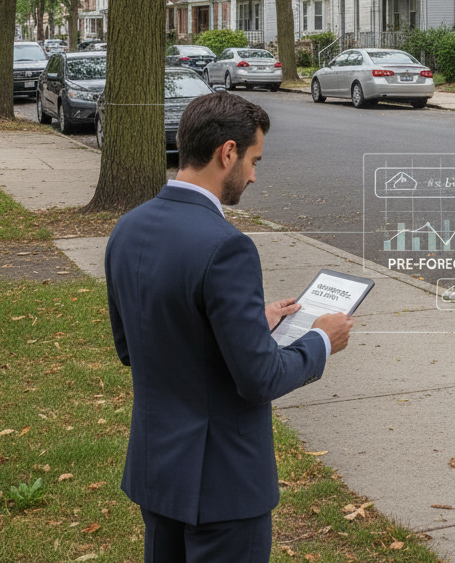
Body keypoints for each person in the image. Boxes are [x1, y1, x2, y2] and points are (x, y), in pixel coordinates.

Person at [105, 91, 354, 562]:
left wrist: (245, 323)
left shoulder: (128, 228)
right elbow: (259, 378)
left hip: (157, 473)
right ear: (228, 153)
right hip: (223, 484)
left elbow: (134, 345)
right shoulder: (226, 246)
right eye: (254, 159)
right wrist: (321, 339)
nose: (255, 175)